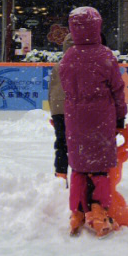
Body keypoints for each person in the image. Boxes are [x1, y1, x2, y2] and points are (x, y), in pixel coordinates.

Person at [57, 6, 127, 237]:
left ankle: (77, 211)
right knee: (99, 168)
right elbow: (117, 89)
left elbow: (65, 86)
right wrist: (120, 115)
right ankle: (98, 210)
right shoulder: (105, 55)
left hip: (75, 117)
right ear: (97, 26)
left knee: (78, 167)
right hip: (100, 118)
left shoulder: (68, 57)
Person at [47, 32, 75, 181]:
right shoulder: (79, 65)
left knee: (61, 143)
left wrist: (53, 112)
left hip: (58, 109)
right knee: (77, 144)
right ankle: (79, 177)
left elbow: (51, 90)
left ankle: (60, 174)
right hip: (73, 108)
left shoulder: (58, 65)